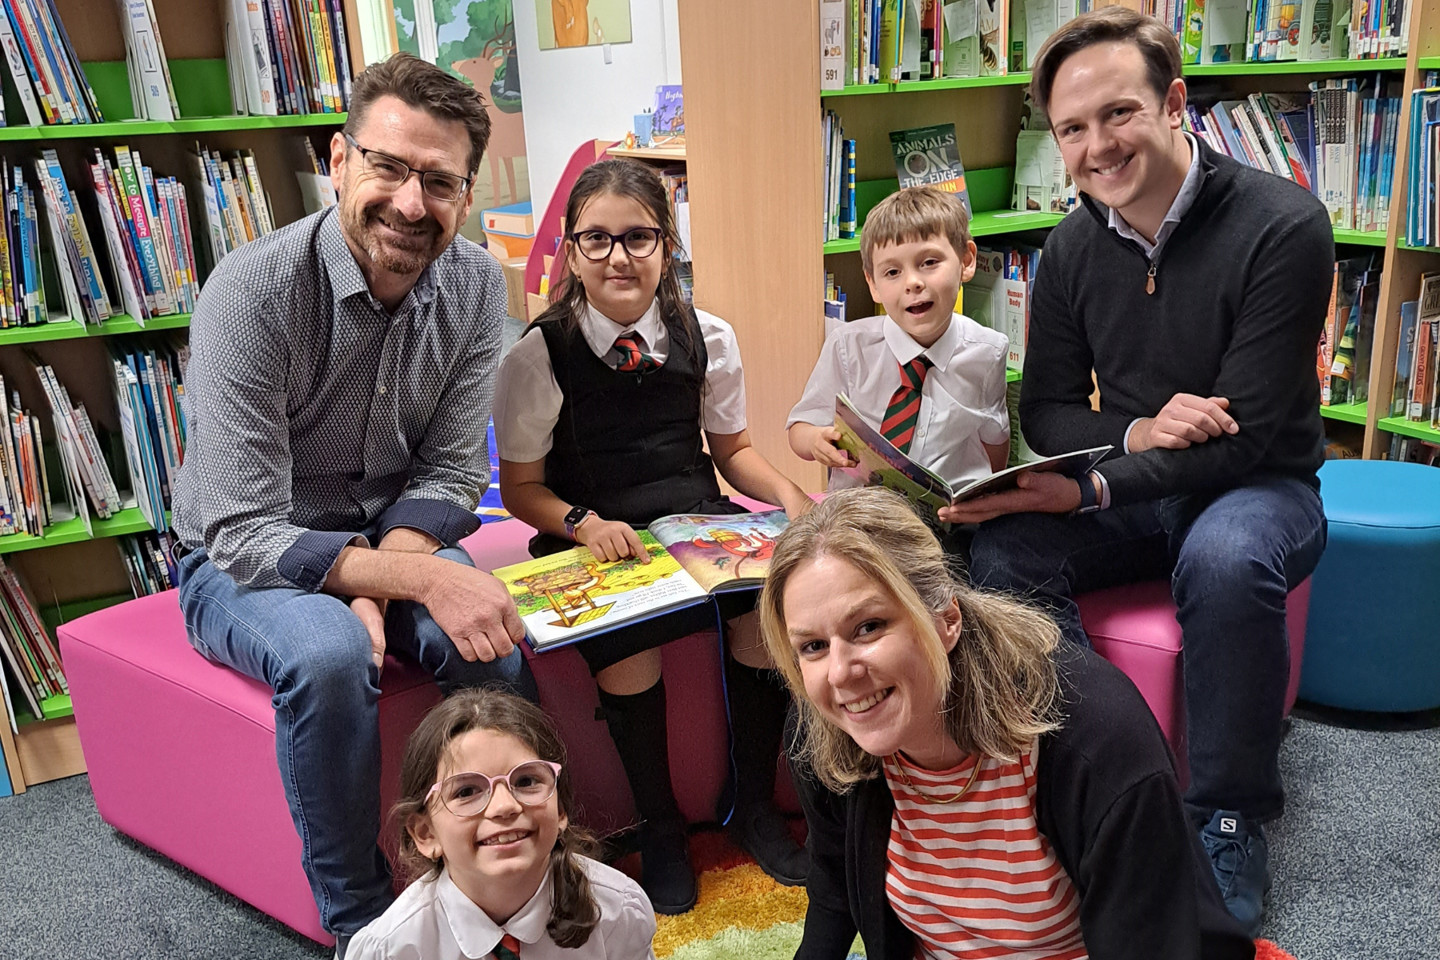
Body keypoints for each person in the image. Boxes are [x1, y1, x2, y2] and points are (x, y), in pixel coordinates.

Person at [949, 8, 1331, 936]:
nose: (1095, 147)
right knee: (998, 549)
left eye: (1116, 114)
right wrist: (1133, 434)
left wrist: (1097, 480)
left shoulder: (1284, 226)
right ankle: (1087, 772)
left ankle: (1227, 814)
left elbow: (1248, 436)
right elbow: (1044, 410)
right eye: (1072, 129)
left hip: (1261, 485)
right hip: (1136, 484)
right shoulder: (1074, 244)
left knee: (1227, 560)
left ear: (1173, 102)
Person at [171, 53, 537, 955]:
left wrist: (392, 577)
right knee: (332, 655)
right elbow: (244, 528)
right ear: (338, 160)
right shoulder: (252, 294)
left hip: (384, 533)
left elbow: (452, 474)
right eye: (388, 167)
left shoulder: (474, 285)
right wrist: (373, 588)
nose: (412, 204)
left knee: (482, 629)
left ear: (465, 190)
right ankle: (362, 924)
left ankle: (505, 876)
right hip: (241, 558)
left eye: (440, 182)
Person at [494, 158, 814, 913]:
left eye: (637, 237)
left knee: (764, 607)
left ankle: (757, 807)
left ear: (667, 246)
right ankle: (661, 827)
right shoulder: (538, 355)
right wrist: (583, 522)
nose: (618, 257)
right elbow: (521, 489)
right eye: (596, 240)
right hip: (592, 529)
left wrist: (789, 496)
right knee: (628, 642)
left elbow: (731, 452)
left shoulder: (708, 336)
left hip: (696, 516)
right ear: (571, 252)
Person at [759, 487, 1255, 960]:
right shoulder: (830, 731)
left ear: (946, 620)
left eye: (868, 627)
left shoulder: (1093, 739)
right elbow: (834, 895)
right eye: (813, 647)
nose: (841, 673)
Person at [348, 689, 657, 960]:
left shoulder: (618, 910)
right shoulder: (390, 950)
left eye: (526, 781)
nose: (505, 806)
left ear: (560, 808)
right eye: (466, 791)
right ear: (425, 833)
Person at [787, 186, 1010, 505]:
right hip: (861, 514)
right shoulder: (849, 346)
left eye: (929, 262)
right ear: (873, 284)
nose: (912, 283)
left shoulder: (989, 351)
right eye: (892, 271)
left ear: (966, 261)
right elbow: (800, 428)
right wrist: (815, 440)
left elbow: (995, 441)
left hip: (950, 516)